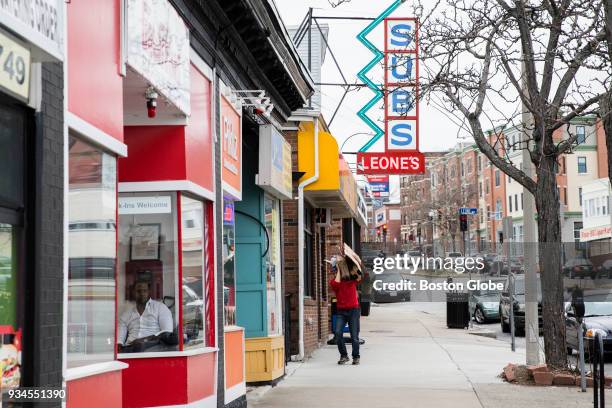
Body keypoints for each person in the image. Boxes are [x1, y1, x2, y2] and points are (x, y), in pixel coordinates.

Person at [117, 279, 174, 352]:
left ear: (149, 292)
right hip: (130, 348)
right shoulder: (127, 313)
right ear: (133, 292)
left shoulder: (160, 307)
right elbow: (120, 335)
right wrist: (118, 345)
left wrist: (144, 339)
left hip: (153, 348)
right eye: (138, 291)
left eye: (144, 290)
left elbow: (167, 333)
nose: (142, 293)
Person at [329, 254, 362, 365]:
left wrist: (356, 261)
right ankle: (344, 356)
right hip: (341, 312)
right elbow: (337, 284)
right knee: (338, 333)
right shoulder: (334, 282)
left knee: (354, 336)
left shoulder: (352, 279)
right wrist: (339, 268)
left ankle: (356, 356)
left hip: (353, 310)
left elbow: (360, 275)